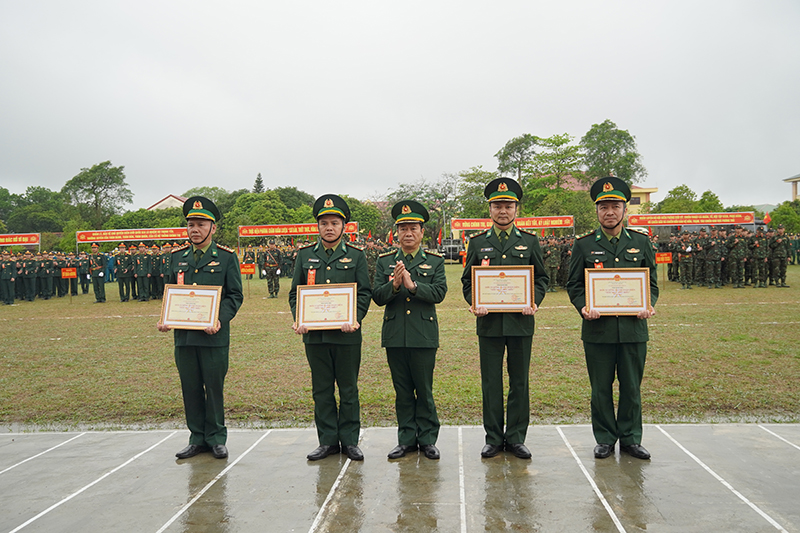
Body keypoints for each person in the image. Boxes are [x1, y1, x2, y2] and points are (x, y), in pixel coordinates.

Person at [566, 177, 658, 460]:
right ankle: (605, 438)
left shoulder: (641, 242)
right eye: (604, 207)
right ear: (597, 211)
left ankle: (631, 438)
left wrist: (648, 304)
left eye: (615, 206)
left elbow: (651, 283)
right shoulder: (583, 245)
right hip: (598, 329)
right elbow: (575, 285)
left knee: (631, 387)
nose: (609, 212)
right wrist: (584, 307)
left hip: (633, 328)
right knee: (600, 387)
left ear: (624, 210)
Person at [460, 178, 548, 459]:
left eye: (508, 206)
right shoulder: (477, 243)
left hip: (521, 322)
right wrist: (475, 302)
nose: (503, 211)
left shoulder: (529, 242)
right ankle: (494, 438)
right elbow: (467, 282)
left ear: (516, 209)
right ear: (490, 210)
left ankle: (517, 437)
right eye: (497, 205)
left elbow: (541, 278)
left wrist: (533, 300)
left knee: (519, 381)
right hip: (489, 323)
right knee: (491, 382)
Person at [158, 196, 243, 460]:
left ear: (212, 228)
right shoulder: (177, 258)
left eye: (201, 224)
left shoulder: (227, 258)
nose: (195, 229)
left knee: (213, 387)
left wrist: (219, 319)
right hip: (184, 337)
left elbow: (235, 296)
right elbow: (171, 294)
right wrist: (165, 318)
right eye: (191, 224)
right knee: (190, 386)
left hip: (214, 336)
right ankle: (196, 438)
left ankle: (216, 438)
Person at [289, 194, 372, 462]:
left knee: (348, 388)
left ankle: (349, 440)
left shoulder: (357, 256)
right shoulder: (304, 256)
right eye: (324, 222)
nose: (329, 227)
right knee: (321, 389)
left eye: (334, 222)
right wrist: (299, 317)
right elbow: (295, 294)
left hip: (347, 334)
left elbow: (364, 292)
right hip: (315, 336)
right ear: (317, 226)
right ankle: (326, 441)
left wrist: (356, 317)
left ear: (344, 226)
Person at [373, 200, 447, 460]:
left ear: (422, 232)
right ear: (396, 232)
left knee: (424, 390)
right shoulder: (385, 262)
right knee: (402, 391)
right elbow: (377, 297)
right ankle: (406, 439)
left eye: (413, 228)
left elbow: (439, 293)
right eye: (402, 228)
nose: (408, 233)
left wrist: (413, 285)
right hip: (395, 336)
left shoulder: (435, 262)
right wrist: (393, 285)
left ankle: (427, 439)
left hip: (423, 336)